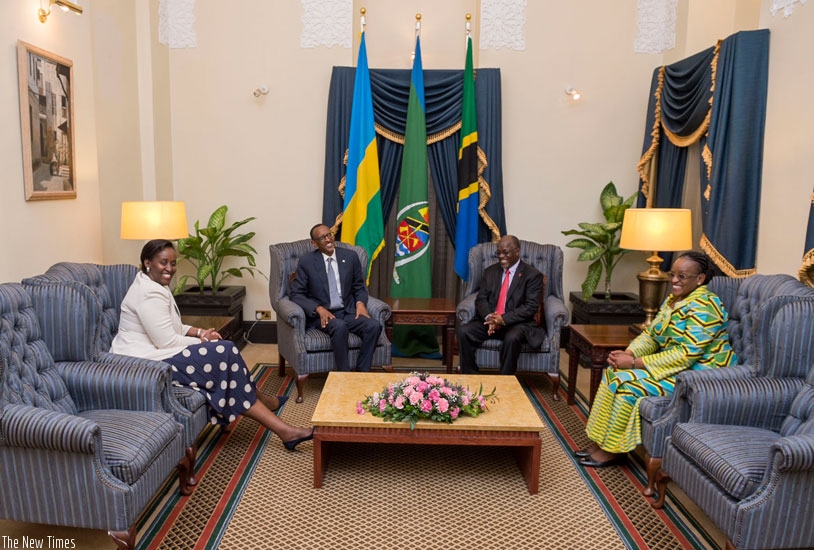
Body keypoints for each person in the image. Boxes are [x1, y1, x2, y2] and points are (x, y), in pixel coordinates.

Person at [111, 239, 314, 451]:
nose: (169, 268)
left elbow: (173, 326)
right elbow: (166, 341)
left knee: (226, 352)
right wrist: (203, 341)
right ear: (147, 263)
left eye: (173, 263)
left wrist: (200, 332)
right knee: (224, 352)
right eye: (163, 262)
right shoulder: (148, 293)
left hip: (158, 352)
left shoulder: (152, 284)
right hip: (145, 362)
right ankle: (280, 425)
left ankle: (272, 412)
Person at [578, 251, 737, 467]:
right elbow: (652, 335)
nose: (674, 280)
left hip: (700, 375)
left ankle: (614, 450)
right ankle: (603, 441)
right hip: (675, 368)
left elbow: (687, 354)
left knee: (627, 385)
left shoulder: (706, 306)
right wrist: (629, 353)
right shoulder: (673, 300)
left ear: (700, 279)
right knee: (613, 372)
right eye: (672, 274)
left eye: (682, 276)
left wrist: (634, 364)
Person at [289, 224, 382, 372]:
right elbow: (296, 293)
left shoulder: (350, 256)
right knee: (339, 326)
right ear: (314, 243)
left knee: (374, 326)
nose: (328, 239)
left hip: (348, 311)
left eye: (329, 235)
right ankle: (343, 374)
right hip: (324, 315)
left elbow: (359, 286)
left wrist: (360, 304)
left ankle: (362, 372)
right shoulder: (307, 261)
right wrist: (318, 309)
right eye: (322, 238)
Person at [457, 235, 545, 375]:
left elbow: (530, 307)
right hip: (490, 321)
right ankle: (471, 376)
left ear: (517, 251)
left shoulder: (532, 275)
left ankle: (506, 379)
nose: (501, 256)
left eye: (506, 252)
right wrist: (489, 317)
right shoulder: (490, 272)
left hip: (517, 323)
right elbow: (481, 299)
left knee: (512, 338)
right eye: (498, 253)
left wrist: (502, 319)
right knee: (464, 332)